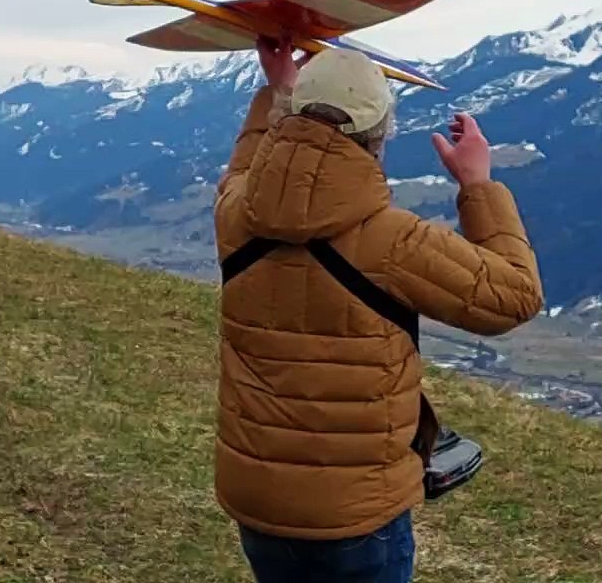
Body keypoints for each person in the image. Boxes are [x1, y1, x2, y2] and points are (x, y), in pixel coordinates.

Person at [213, 35, 544, 582]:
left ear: (292, 119)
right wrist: (478, 185)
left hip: (257, 499)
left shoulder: (236, 214)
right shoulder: (393, 242)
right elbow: (514, 297)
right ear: (379, 135)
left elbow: (247, 165)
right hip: (356, 512)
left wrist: (276, 93)